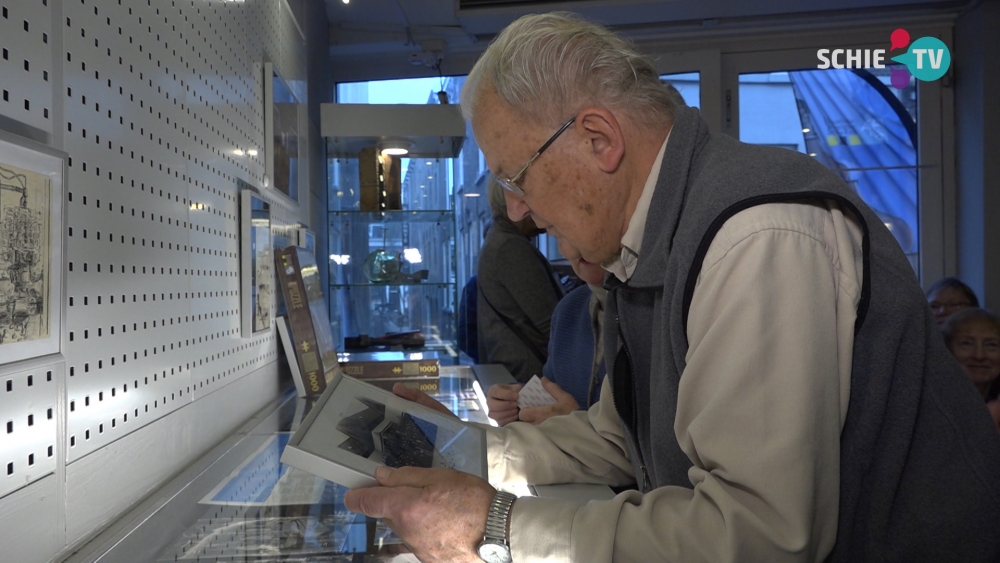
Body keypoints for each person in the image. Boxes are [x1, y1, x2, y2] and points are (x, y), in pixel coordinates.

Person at [345, 12, 1000, 563]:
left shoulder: (754, 234)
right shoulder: (650, 242)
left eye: (515, 177)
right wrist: (461, 452)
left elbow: (758, 536)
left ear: (599, 139)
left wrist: (496, 524)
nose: (515, 211)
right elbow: (615, 435)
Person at [487, 236, 607, 425]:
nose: (568, 250)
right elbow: (554, 391)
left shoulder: (654, 310)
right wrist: (515, 401)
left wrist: (574, 426)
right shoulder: (569, 309)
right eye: (558, 233)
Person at [476, 179, 564, 383]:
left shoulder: (500, 240)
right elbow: (552, 324)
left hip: (517, 371)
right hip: (530, 376)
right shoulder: (510, 248)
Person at [941, 307, 1000, 429]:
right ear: (948, 350)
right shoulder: (933, 407)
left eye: (991, 345)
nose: (979, 355)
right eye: (966, 343)